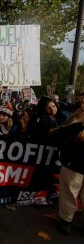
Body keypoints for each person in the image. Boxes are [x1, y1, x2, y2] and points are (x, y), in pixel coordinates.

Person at [52, 92, 84, 235]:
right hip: (74, 163)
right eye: (82, 101)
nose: (83, 103)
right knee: (69, 193)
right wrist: (80, 126)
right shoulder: (74, 118)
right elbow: (58, 134)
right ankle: (66, 221)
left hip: (75, 162)